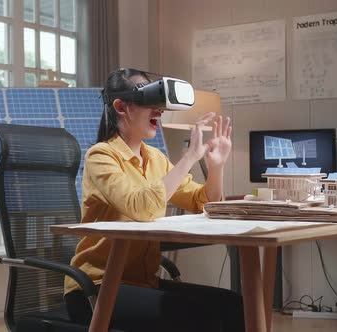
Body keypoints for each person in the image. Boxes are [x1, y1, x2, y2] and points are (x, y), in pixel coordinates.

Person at [64, 68, 244, 332]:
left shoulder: (156, 159)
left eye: (161, 105)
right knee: (200, 316)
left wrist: (216, 166)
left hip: (143, 283)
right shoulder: (101, 156)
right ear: (121, 106)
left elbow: (203, 202)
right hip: (96, 289)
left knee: (232, 305)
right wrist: (189, 158)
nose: (159, 112)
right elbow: (142, 208)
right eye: (151, 103)